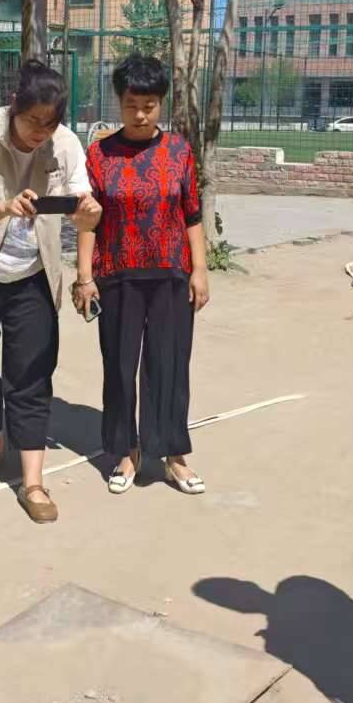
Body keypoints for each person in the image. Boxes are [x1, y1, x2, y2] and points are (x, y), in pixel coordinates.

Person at [0, 60, 100, 524]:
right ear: (14, 106)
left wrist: (88, 219)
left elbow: (84, 215)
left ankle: (33, 482)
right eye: (32, 121)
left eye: (50, 124)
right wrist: (6, 207)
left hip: (33, 275)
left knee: (31, 376)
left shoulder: (65, 144)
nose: (39, 133)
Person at [74, 55, 209, 495]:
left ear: (161, 104)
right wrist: (84, 276)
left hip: (171, 274)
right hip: (116, 275)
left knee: (169, 366)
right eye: (131, 104)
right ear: (119, 102)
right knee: (119, 366)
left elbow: (192, 215)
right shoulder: (99, 155)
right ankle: (126, 451)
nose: (140, 114)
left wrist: (200, 270)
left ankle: (173, 455)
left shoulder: (178, 152)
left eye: (149, 105)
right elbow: (88, 221)